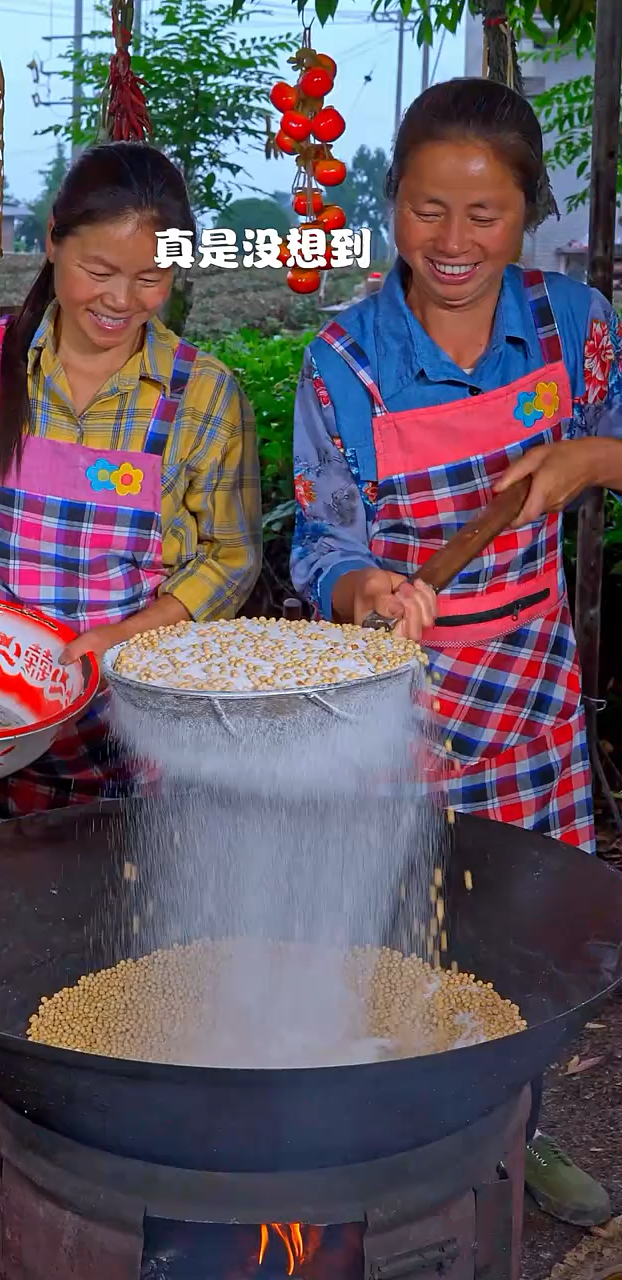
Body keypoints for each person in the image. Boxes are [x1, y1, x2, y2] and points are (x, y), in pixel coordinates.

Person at [290, 78, 622, 1227]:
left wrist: (590, 461)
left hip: (529, 692)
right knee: (399, 936)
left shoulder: (574, 327)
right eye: (427, 209)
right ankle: (395, 1152)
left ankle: (514, 1134)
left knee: (524, 936)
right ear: (394, 207)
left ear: (526, 212)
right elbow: (319, 538)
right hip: (399, 699)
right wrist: (364, 583)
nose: (452, 242)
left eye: (483, 215)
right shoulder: (348, 360)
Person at [0, 141, 261, 832]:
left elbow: (231, 556)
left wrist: (126, 635)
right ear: (52, 245)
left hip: (139, 734)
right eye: (98, 270)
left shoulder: (202, 394)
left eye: (152, 278)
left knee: (128, 927)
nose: (122, 300)